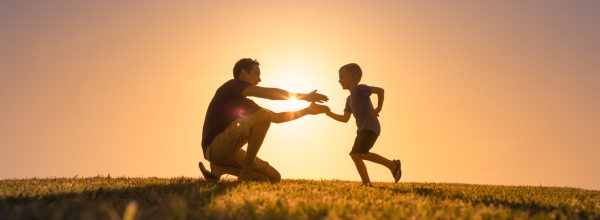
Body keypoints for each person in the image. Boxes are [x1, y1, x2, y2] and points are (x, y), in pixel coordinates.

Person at [199, 58, 330, 182]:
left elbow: (277, 118)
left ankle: (220, 168)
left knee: (273, 178)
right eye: (256, 74)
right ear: (243, 72)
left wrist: (307, 110)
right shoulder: (232, 85)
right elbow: (269, 94)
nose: (259, 79)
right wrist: (304, 96)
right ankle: (246, 169)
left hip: (230, 152)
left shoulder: (247, 104)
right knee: (264, 115)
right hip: (214, 147)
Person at [321, 63, 401, 186]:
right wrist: (327, 113)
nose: (339, 80)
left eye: (342, 77)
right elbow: (344, 118)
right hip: (362, 130)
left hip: (370, 127)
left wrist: (378, 108)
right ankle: (366, 183)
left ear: (353, 78)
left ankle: (392, 164)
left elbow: (380, 91)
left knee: (361, 153)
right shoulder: (349, 100)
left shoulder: (360, 89)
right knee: (354, 155)